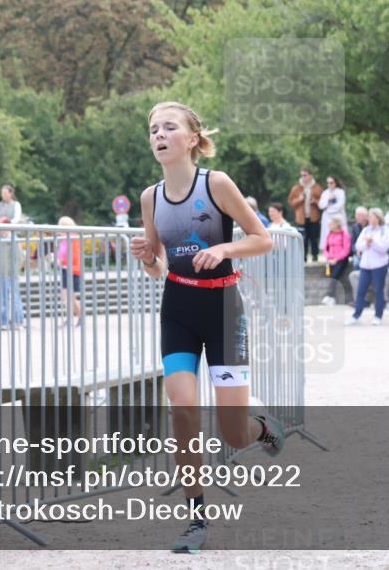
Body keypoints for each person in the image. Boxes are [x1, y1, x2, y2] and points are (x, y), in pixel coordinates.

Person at [129, 101, 283, 553]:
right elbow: (158, 267)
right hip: (176, 308)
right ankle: (197, 519)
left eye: (169, 127)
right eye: (153, 128)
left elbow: (263, 239)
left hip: (223, 311)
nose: (159, 134)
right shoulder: (150, 197)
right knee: (182, 411)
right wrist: (146, 258)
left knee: (232, 434)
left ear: (193, 138)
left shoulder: (215, 183)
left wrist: (223, 251)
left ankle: (261, 427)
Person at [346, 207, 389, 326]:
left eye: (371, 216)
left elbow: (384, 248)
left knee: (379, 291)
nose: (369, 219)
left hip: (379, 265)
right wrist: (367, 244)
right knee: (361, 290)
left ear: (378, 218)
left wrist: (373, 243)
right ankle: (356, 315)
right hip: (365, 265)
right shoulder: (366, 230)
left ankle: (378, 315)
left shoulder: (385, 230)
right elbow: (358, 246)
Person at [0, 184, 25, 328]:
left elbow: (17, 218)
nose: (3, 195)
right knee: (3, 292)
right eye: (2, 193)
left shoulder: (16, 205)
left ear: (11, 194)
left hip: (12, 259)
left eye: (5, 193)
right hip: (3, 266)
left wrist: (7, 223)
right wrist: (1, 223)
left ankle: (18, 319)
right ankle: (4, 320)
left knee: (14, 291)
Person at [287, 168, 322, 262]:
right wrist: (299, 199)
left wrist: (314, 201)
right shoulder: (296, 188)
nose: (303, 177)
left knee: (314, 237)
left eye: (305, 175)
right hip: (301, 218)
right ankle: (303, 257)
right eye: (302, 175)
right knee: (303, 238)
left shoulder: (317, 187)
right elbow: (290, 202)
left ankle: (315, 255)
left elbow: (323, 203)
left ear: (310, 176)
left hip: (314, 217)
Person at [321, 216, 352, 306]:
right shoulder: (330, 234)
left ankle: (329, 296)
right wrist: (328, 257)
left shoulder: (344, 234)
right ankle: (332, 297)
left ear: (336, 224)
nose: (329, 225)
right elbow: (326, 248)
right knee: (331, 277)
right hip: (330, 260)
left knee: (334, 276)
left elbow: (346, 250)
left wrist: (336, 259)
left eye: (331, 223)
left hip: (341, 260)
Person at [57, 216, 82, 325]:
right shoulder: (64, 240)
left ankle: (80, 316)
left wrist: (63, 261)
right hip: (65, 269)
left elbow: (75, 256)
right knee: (65, 296)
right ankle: (70, 317)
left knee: (71, 297)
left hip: (72, 270)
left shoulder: (73, 239)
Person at [318, 176, 347, 253]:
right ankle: (328, 251)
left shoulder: (340, 192)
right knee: (327, 235)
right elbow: (321, 205)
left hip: (338, 216)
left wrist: (329, 209)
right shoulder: (325, 193)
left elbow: (339, 205)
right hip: (327, 217)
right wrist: (328, 200)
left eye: (331, 183)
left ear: (335, 183)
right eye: (328, 183)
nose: (329, 185)